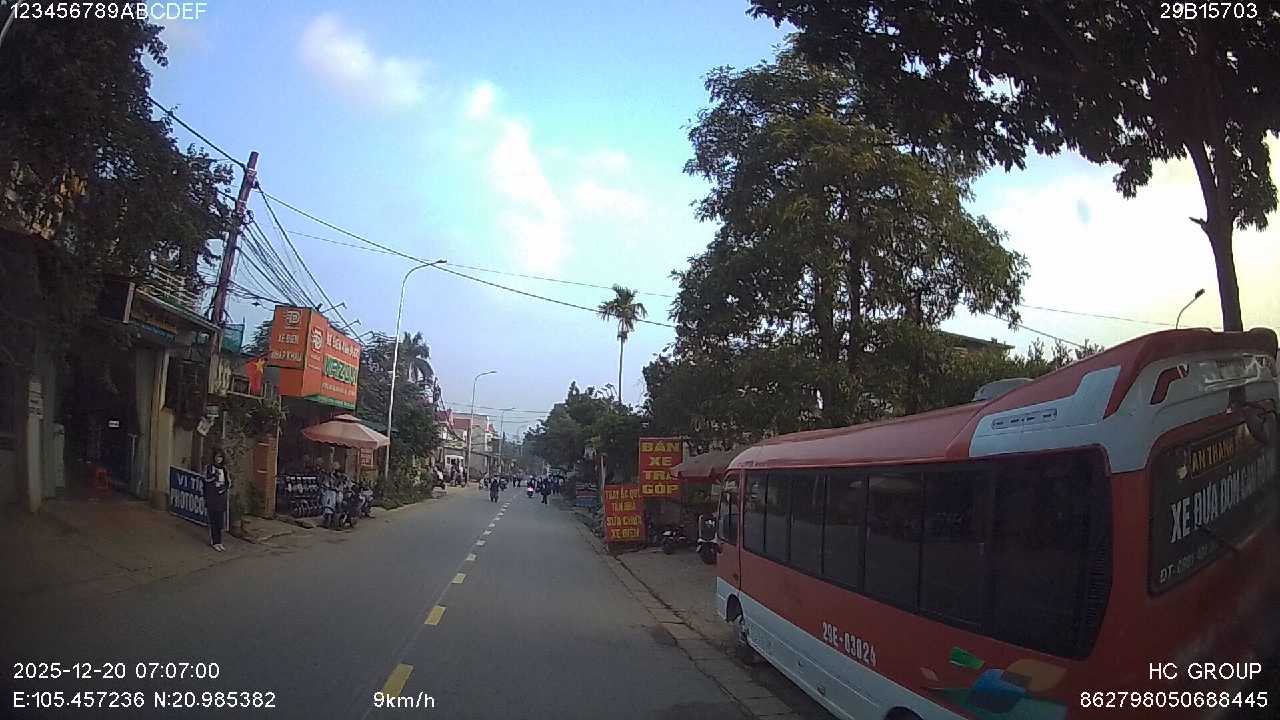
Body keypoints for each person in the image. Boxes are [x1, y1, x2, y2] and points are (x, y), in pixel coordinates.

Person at [204, 448, 231, 551]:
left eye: (220, 457)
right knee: (213, 521)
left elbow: (228, 482)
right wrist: (213, 477)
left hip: (221, 498)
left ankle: (219, 542)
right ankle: (215, 542)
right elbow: (206, 480)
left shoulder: (224, 469)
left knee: (219, 521)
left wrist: (223, 489)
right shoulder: (210, 467)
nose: (218, 459)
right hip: (212, 497)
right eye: (217, 457)